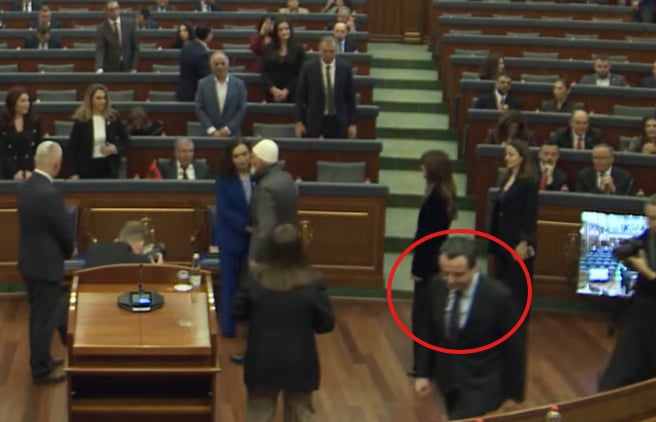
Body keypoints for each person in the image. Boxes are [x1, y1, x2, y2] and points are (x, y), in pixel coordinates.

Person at [232, 223, 335, 422]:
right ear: (300, 250)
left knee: (259, 415)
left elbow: (237, 313)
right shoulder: (313, 283)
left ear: (270, 250)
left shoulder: (255, 280)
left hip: (261, 363)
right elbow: (326, 324)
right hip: (300, 364)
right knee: (300, 415)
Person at [414, 237, 524, 420]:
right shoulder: (437, 286)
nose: (450, 280)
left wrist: (514, 394)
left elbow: (514, 347)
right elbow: (429, 331)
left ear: (475, 268)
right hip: (448, 380)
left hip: (483, 382)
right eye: (445, 273)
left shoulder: (498, 296)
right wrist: (423, 373)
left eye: (458, 275)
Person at [17, 141, 74, 385]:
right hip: (46, 265)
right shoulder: (50, 194)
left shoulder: (26, 187)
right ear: (56, 163)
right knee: (45, 318)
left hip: (29, 261)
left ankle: (43, 358)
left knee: (37, 316)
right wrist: (70, 250)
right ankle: (40, 370)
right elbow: (62, 230)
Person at [599, 194, 656, 390]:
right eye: (648, 218)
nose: (650, 223)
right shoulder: (648, 237)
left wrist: (647, 272)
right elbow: (622, 250)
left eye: (654, 218)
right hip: (643, 305)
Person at [409, 150, 458, 377]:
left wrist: (417, 269)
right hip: (435, 261)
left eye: (424, 165)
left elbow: (426, 238)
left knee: (422, 316)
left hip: (427, 263)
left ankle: (423, 365)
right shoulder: (445, 194)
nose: (421, 169)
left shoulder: (435, 198)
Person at [215, 140, 253, 338]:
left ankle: (250, 324)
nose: (241, 159)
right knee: (229, 284)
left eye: (244, 154)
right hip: (230, 236)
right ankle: (228, 327)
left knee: (251, 283)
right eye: (236, 156)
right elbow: (223, 210)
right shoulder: (223, 179)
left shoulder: (258, 176)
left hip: (253, 239)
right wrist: (244, 225)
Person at [249, 139, 299, 267]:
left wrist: (256, 258)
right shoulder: (287, 178)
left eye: (253, 157)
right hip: (288, 247)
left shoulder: (266, 187)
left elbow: (265, 229)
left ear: (262, 161)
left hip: (270, 256)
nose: (251, 161)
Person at [294, 36, 357, 139]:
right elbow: (300, 97)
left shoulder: (345, 68)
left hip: (338, 121)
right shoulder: (308, 68)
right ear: (319, 50)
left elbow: (350, 98)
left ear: (336, 51)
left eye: (331, 51)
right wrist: (299, 121)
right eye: (325, 51)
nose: (328, 54)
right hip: (314, 120)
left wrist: (352, 123)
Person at [69, 84, 130, 179]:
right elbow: (73, 148)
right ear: (90, 100)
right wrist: (74, 172)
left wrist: (116, 148)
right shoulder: (81, 120)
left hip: (108, 168)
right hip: (86, 169)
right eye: (98, 98)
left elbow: (125, 140)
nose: (103, 101)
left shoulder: (113, 117)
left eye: (104, 98)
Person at [195, 51, 248, 138]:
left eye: (223, 64)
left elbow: (242, 109)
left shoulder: (239, 84)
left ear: (228, 65)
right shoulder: (203, 84)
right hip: (209, 136)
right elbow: (199, 108)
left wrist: (228, 129)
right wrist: (211, 130)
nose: (220, 67)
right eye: (216, 64)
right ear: (211, 66)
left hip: (232, 135)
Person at [0, 86, 43, 180]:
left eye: (28, 101)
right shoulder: (3, 122)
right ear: (13, 102)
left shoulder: (35, 121)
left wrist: (31, 170)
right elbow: (3, 151)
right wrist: (13, 172)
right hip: (8, 171)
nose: (27, 104)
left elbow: (37, 148)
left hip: (30, 171)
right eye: (22, 101)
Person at [261, 19, 306, 103]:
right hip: (271, 94)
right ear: (276, 32)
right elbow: (264, 72)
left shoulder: (299, 49)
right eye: (280, 29)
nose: (284, 32)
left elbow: (300, 73)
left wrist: (286, 91)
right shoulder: (268, 48)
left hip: (293, 93)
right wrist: (273, 89)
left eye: (286, 29)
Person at [84, 220, 164, 267]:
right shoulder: (143, 263)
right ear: (141, 244)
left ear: (117, 240)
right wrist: (157, 270)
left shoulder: (94, 250)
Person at [95, 0, 140, 73]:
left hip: (128, 67)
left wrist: (134, 67)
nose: (115, 11)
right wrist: (99, 67)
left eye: (117, 8)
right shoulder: (101, 29)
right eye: (112, 10)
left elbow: (136, 48)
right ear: (106, 11)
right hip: (110, 69)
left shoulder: (130, 24)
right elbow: (100, 49)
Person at [176, 25, 212, 102]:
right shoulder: (203, 53)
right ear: (208, 35)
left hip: (182, 91)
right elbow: (205, 77)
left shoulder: (186, 47)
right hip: (194, 95)